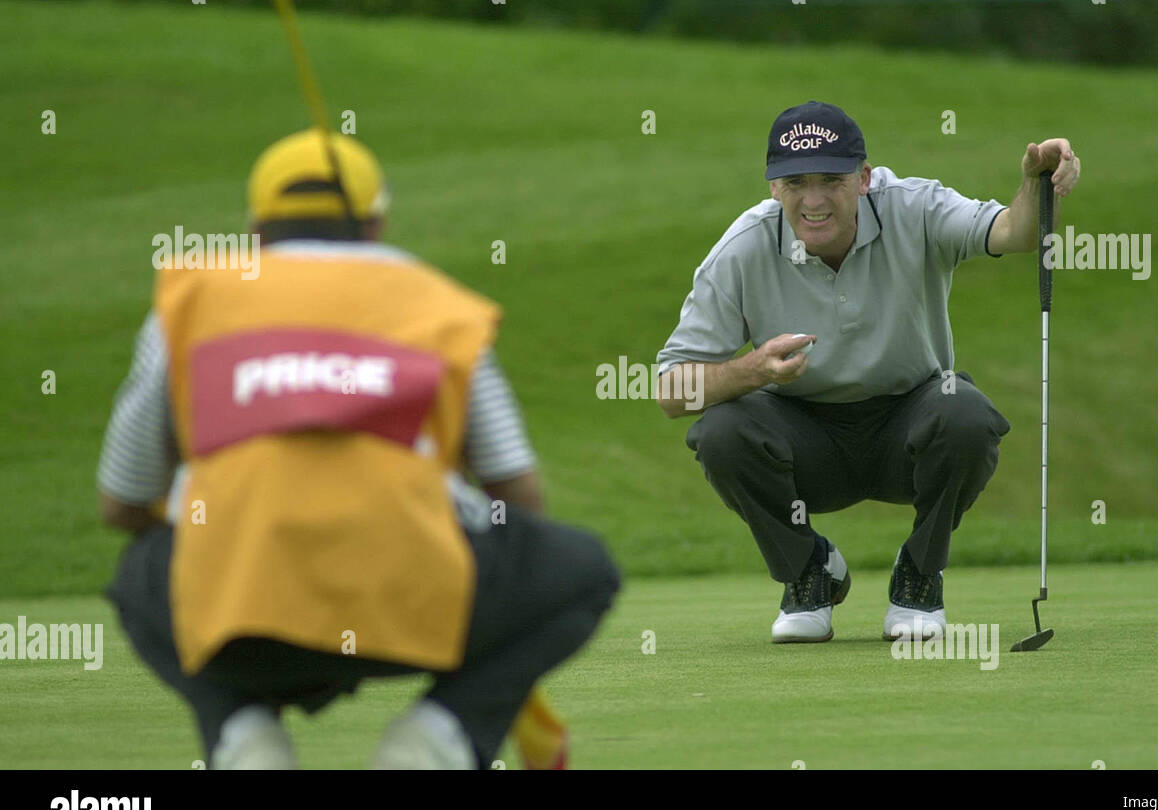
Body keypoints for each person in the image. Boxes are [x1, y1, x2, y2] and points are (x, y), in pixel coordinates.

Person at [97, 129, 619, 768]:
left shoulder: (190, 302)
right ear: (377, 223)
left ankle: (243, 737)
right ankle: (432, 743)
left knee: (139, 572)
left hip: (243, 624)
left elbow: (121, 502)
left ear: (256, 229)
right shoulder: (438, 302)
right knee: (582, 569)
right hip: (414, 615)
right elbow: (519, 496)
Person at [655, 101, 1080, 644]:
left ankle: (919, 576)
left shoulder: (915, 206)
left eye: (831, 180)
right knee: (720, 431)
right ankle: (809, 569)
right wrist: (752, 370)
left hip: (910, 423)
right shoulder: (743, 248)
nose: (813, 200)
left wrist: (1038, 186)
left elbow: (1015, 233)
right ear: (771, 188)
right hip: (801, 438)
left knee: (965, 412)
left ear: (863, 178)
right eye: (795, 183)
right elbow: (671, 391)